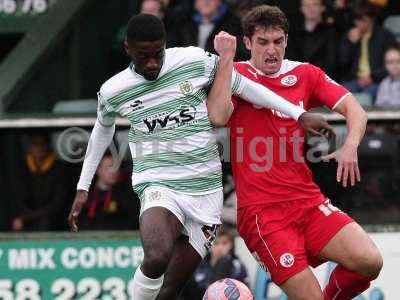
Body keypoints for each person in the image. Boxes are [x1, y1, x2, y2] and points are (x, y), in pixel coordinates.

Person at [67, 14, 332, 300]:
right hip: (159, 183)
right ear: (128, 49)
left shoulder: (192, 60)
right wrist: (83, 186)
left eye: (158, 54)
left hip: (205, 192)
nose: (153, 63)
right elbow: (100, 133)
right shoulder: (113, 91)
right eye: (144, 57)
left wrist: (298, 113)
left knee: (168, 290)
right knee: (156, 257)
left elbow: (243, 85)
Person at [206, 5, 383, 300]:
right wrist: (225, 59)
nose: (271, 50)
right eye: (263, 42)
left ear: (286, 40)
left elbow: (356, 110)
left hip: (307, 201)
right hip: (263, 215)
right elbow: (218, 116)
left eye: (277, 41)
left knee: (369, 261)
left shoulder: (305, 74)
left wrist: (350, 146)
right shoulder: (235, 74)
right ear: (248, 43)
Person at [339, 3, 397, 100]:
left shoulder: (385, 36)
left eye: (363, 20)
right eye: (357, 20)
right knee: (340, 94)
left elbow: (391, 63)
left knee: (372, 93)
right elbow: (342, 64)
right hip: (355, 80)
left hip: (377, 80)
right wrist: (351, 44)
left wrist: (373, 77)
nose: (359, 24)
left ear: (371, 19)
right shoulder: (349, 35)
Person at [11, 133, 67, 231]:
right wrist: (22, 217)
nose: (39, 148)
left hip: (52, 221)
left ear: (48, 146)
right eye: (35, 144)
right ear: (30, 147)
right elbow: (18, 198)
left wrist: (27, 218)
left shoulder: (59, 170)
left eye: (42, 144)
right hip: (26, 220)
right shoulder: (22, 169)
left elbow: (57, 204)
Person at [180, 227, 249, 299]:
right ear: (210, 244)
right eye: (216, 243)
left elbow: (245, 293)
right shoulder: (198, 263)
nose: (220, 247)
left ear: (231, 245)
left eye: (224, 243)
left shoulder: (238, 267)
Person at [78, 153, 141, 230]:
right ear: (98, 169)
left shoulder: (126, 196)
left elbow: (133, 222)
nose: (113, 171)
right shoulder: (86, 194)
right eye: (109, 167)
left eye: (116, 167)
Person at [175, 0, 249, 61]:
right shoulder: (184, 24)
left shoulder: (234, 26)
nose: (206, 1)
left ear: (219, 2)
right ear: (195, 3)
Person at [286, 0, 337, 77]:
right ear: (301, 9)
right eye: (307, 5)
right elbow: (290, 60)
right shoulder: (293, 33)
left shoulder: (331, 32)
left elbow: (331, 61)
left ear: (322, 8)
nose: (311, 8)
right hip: (297, 78)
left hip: (322, 79)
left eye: (315, 4)